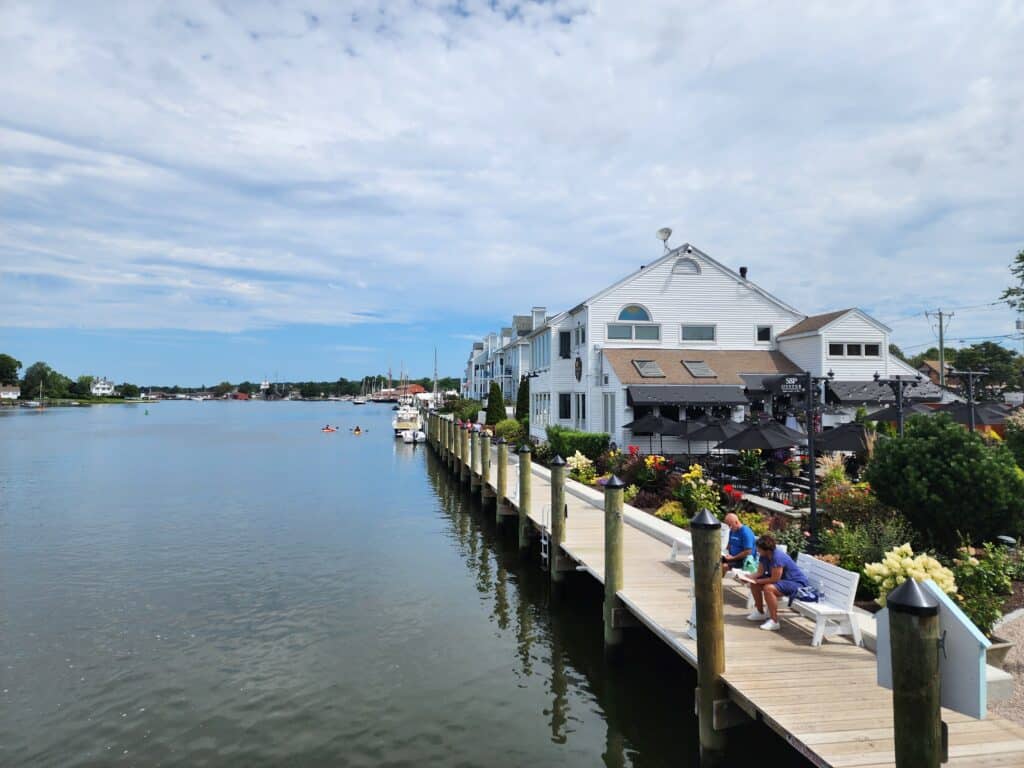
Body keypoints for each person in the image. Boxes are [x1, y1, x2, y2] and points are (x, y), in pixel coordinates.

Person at [745, 534, 808, 632]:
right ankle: (760, 612)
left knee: (768, 588)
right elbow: (759, 572)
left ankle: (774, 621)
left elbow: (774, 579)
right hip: (782, 581)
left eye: (759, 549)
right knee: (754, 584)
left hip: (795, 583)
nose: (757, 550)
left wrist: (758, 580)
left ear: (767, 550)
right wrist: (748, 577)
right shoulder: (763, 556)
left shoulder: (778, 557)